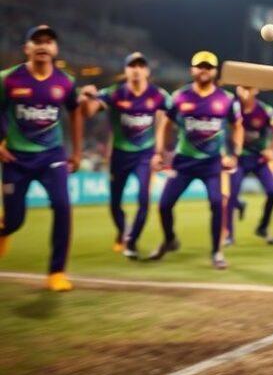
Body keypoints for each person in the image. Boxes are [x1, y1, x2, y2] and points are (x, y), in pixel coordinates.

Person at [0, 25, 82, 291]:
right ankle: (5, 228)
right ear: (27, 48)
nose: (43, 46)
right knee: (14, 220)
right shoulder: (7, 79)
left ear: (56, 49)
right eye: (37, 41)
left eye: (49, 42)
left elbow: (76, 112)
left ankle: (56, 272)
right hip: (16, 159)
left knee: (62, 205)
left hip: (52, 157)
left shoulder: (66, 81)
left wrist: (77, 151)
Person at [148, 51, 243, 269]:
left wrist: (234, 154)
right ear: (192, 70)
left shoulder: (226, 99)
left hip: (211, 163)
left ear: (215, 71)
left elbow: (237, 126)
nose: (204, 70)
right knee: (164, 205)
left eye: (208, 67)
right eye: (200, 66)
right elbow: (165, 125)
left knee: (218, 204)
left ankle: (217, 252)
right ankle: (170, 240)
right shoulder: (180, 97)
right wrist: (159, 152)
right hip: (184, 162)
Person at [80, 52, 170, 259]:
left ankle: (132, 241)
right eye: (132, 66)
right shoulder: (115, 93)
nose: (136, 69)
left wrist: (159, 149)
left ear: (147, 71)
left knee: (144, 201)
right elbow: (88, 112)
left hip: (144, 156)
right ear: (126, 70)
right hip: (120, 155)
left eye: (141, 65)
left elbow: (176, 110)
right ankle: (124, 231)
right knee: (114, 203)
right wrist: (86, 98)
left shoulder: (158, 94)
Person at [225, 86, 273, 246]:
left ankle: (263, 228)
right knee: (230, 195)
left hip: (260, 158)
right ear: (237, 90)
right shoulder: (231, 107)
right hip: (239, 158)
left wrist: (272, 150)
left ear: (256, 90)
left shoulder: (265, 110)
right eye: (242, 88)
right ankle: (228, 235)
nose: (245, 92)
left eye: (248, 89)